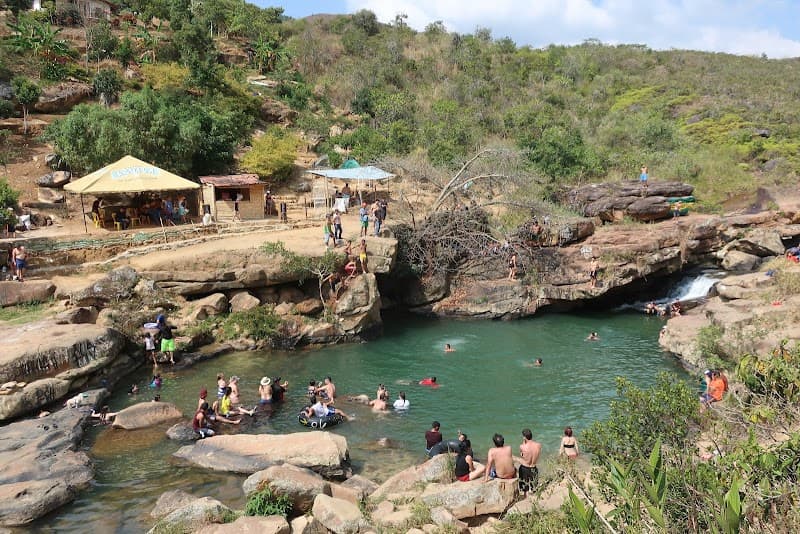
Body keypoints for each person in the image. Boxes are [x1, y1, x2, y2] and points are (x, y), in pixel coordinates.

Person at [519, 428, 542, 495]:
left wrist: (524, 442)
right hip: (533, 468)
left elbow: (522, 455)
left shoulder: (522, 446)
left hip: (524, 468)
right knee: (534, 488)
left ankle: (525, 496)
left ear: (524, 437)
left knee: (524, 489)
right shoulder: (538, 445)